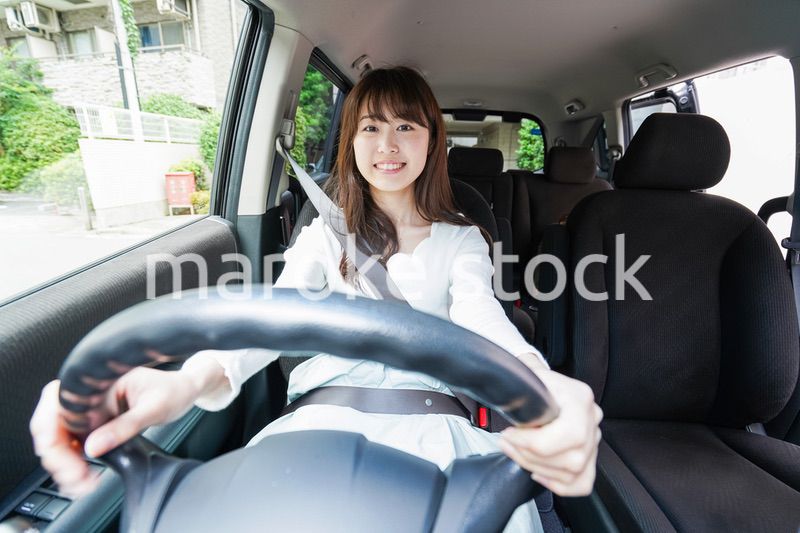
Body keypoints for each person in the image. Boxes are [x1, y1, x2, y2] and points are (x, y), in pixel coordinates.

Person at [31, 66, 602, 532]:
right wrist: (183, 381)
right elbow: (268, 324)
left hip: (438, 434)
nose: (388, 146)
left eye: (406, 127)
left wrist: (541, 384)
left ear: (434, 140)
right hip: (311, 428)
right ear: (350, 140)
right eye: (371, 128)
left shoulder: (461, 239)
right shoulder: (324, 235)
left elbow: (484, 319)